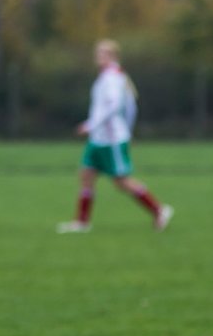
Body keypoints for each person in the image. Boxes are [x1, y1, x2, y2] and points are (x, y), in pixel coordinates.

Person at [57, 40, 173, 234]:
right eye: (98, 53)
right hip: (99, 138)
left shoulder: (112, 77)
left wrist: (92, 125)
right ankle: (82, 222)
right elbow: (128, 107)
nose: (99, 57)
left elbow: (115, 107)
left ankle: (159, 210)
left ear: (113, 56)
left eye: (103, 53)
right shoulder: (109, 76)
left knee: (121, 181)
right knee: (86, 175)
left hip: (111, 139)